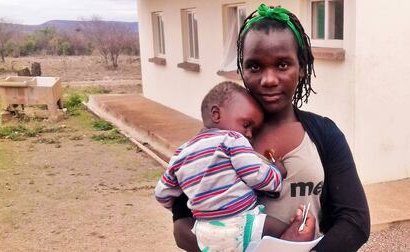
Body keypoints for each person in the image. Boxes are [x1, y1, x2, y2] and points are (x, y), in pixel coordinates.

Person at [172, 4, 370, 252]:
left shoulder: (324, 134)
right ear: (242, 69)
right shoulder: (215, 140)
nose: (269, 79)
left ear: (302, 67)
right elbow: (181, 226)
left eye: (282, 65)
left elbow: (355, 221)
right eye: (255, 66)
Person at [155, 81, 315, 252]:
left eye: (252, 130)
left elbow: (162, 193)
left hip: (204, 232)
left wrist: (189, 201)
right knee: (287, 234)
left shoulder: (181, 153)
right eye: (246, 125)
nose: (249, 134)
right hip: (241, 223)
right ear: (216, 114)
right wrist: (277, 172)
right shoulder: (232, 140)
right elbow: (256, 175)